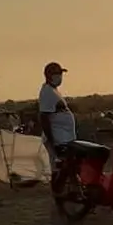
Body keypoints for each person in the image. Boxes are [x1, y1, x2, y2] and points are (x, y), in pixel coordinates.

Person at [38, 62, 77, 193]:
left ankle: (69, 190)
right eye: (57, 74)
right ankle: (59, 193)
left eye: (61, 73)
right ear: (49, 75)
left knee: (67, 165)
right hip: (58, 138)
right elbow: (44, 118)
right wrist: (52, 141)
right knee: (62, 165)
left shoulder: (54, 91)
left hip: (64, 137)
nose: (60, 76)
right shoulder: (47, 92)